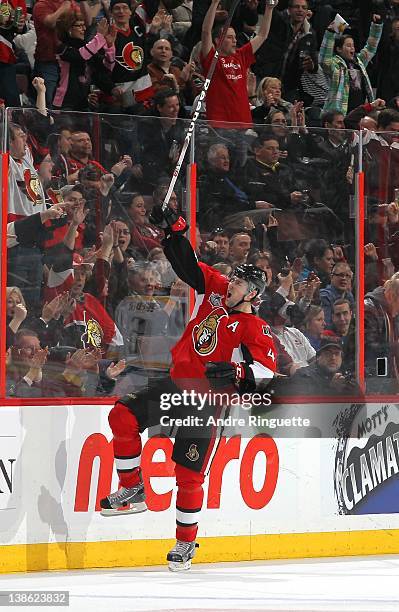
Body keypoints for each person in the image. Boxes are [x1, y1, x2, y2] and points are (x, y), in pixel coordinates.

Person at [100, 206, 276, 572]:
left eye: (240, 283)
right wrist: (175, 232)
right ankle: (132, 488)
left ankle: (184, 544)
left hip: (207, 402)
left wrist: (235, 370)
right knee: (121, 414)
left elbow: (266, 372)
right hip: (176, 384)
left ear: (252, 294)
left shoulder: (253, 327)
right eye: (233, 279)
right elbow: (188, 265)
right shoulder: (215, 292)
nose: (232, 284)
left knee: (189, 473)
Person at [200, 0, 277, 124]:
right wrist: (214, 3)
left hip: (243, 123)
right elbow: (205, 32)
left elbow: (262, 35)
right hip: (219, 124)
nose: (235, 41)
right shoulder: (212, 59)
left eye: (235, 37)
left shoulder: (241, 56)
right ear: (217, 40)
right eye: (229, 37)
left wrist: (269, 9)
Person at [319, 15, 383, 116]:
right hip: (339, 114)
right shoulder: (335, 65)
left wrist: (377, 26)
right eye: (348, 46)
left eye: (353, 46)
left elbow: (370, 48)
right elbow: (324, 60)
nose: (352, 48)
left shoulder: (359, 61)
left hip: (360, 113)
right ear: (339, 49)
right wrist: (330, 33)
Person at [319, 262, 355, 327]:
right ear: (331, 277)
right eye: (341, 275)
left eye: (347, 276)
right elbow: (326, 324)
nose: (344, 278)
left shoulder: (349, 295)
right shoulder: (324, 295)